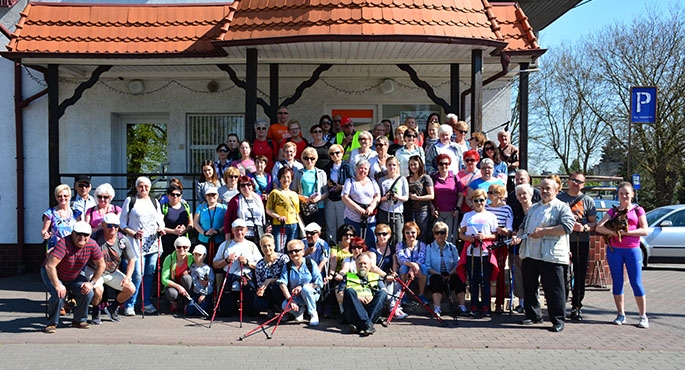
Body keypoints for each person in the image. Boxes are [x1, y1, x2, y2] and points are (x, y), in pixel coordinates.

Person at [512, 176, 575, 333]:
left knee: (554, 290)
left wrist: (544, 232)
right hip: (531, 254)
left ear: (556, 190)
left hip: (551, 256)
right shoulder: (534, 208)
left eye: (548, 188)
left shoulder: (562, 207)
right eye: (542, 188)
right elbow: (523, 225)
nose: (545, 191)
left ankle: (557, 319)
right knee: (530, 287)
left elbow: (568, 227)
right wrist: (518, 236)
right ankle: (533, 315)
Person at [595, 182, 649, 328]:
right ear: (618, 195)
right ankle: (620, 314)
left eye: (627, 193)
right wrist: (613, 233)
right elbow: (599, 227)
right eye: (621, 193)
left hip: (633, 250)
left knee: (636, 282)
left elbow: (645, 230)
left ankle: (642, 316)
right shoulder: (613, 211)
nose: (624, 196)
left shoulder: (638, 210)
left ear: (632, 194)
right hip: (615, 251)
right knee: (617, 282)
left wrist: (627, 233)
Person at [41, 221, 105, 333]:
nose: (82, 237)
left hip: (73, 275)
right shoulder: (63, 243)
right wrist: (57, 285)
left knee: (87, 291)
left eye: (86, 235)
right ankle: (51, 323)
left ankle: (79, 320)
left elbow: (101, 265)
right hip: (53, 273)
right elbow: (50, 266)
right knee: (58, 293)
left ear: (90, 235)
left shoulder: (92, 244)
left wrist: (91, 283)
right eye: (79, 234)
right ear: (73, 233)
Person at [120, 176, 166, 316]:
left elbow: (160, 219)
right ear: (136, 187)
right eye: (140, 186)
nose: (143, 188)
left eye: (146, 186)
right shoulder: (130, 200)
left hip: (152, 243)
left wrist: (161, 228)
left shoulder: (155, 201)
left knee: (149, 274)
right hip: (135, 243)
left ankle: (145, 302)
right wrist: (133, 233)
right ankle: (129, 303)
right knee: (137, 274)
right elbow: (122, 223)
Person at [557, 171, 597, 322]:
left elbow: (594, 223)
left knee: (579, 275)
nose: (575, 183)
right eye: (573, 180)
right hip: (562, 241)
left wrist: (584, 228)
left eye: (579, 182)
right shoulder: (560, 199)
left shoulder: (588, 201)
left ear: (583, 185)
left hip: (581, 241)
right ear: (568, 181)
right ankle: (560, 305)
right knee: (562, 274)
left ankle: (576, 306)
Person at [457, 189, 499, 318]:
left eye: (481, 200)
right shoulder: (467, 216)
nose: (479, 203)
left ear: (486, 201)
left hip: (485, 252)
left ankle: (486, 306)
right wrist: (469, 238)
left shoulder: (491, 216)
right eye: (476, 200)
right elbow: (461, 234)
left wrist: (485, 236)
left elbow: (495, 235)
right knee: (473, 281)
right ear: (472, 202)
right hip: (471, 253)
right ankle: (474, 305)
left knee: (485, 281)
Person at [87, 214, 136, 325]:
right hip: (94, 271)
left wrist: (128, 277)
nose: (113, 228)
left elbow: (132, 259)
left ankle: (112, 308)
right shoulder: (94, 238)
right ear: (103, 225)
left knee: (131, 288)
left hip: (111, 272)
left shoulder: (122, 240)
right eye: (109, 225)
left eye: (116, 226)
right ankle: (95, 311)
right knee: (98, 291)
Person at [213, 219, 262, 316]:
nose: (239, 232)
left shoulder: (251, 246)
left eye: (241, 229)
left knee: (252, 312)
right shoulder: (225, 245)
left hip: (246, 279)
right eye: (237, 229)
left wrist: (247, 262)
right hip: (229, 279)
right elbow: (215, 264)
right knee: (225, 313)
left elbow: (260, 265)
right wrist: (226, 261)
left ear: (246, 230)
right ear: (232, 230)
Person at [278, 239, 323, 325]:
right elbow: (282, 284)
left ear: (303, 251)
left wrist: (302, 286)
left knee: (306, 289)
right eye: (291, 252)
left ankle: (313, 313)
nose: (294, 253)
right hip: (296, 297)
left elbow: (319, 283)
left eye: (296, 251)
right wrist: (290, 300)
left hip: (312, 294)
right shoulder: (287, 266)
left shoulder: (311, 263)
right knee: (284, 305)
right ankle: (299, 312)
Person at [341, 253, 387, 336]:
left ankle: (360, 326)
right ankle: (367, 325)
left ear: (370, 265)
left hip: (370, 308)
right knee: (349, 291)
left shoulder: (376, 277)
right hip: (353, 312)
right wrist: (357, 298)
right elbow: (340, 296)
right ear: (355, 265)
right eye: (360, 263)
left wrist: (372, 298)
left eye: (365, 263)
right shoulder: (347, 277)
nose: (362, 266)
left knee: (383, 293)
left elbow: (384, 291)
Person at [485, 184, 514, 313]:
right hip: (488, 242)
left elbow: (509, 229)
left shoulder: (507, 209)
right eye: (489, 192)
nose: (490, 195)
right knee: (487, 272)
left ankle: (499, 303)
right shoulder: (485, 207)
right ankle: (486, 302)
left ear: (501, 195)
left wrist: (504, 231)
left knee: (500, 273)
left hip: (501, 244)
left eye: (494, 192)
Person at [424, 221, 461, 317]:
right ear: (434, 234)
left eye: (443, 232)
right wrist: (438, 274)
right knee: (435, 279)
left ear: (447, 234)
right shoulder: (429, 247)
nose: (440, 235)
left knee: (459, 278)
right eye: (437, 233)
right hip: (436, 274)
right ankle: (437, 308)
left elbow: (458, 264)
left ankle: (462, 306)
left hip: (450, 274)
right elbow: (427, 266)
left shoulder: (452, 247)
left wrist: (451, 273)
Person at [341, 159, 380, 249]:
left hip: (369, 219)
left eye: (365, 169)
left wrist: (371, 207)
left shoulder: (372, 181)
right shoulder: (349, 181)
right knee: (353, 243)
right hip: (352, 218)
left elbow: (377, 196)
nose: (363, 171)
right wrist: (358, 208)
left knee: (370, 242)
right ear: (356, 169)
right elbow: (344, 197)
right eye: (360, 168)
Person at [370, 224, 402, 319]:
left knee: (397, 282)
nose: (381, 237)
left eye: (384, 234)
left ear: (389, 235)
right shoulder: (372, 248)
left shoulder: (392, 248)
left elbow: (395, 264)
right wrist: (385, 276)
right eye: (378, 234)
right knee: (386, 294)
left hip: (389, 275)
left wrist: (394, 273)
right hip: (377, 276)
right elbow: (373, 267)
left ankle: (394, 307)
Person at [266, 166, 301, 252]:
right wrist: (278, 217)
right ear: (280, 179)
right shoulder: (274, 193)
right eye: (283, 177)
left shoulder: (294, 194)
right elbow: (268, 210)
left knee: (293, 250)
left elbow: (297, 211)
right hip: (280, 225)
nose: (286, 179)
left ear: (292, 179)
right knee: (279, 250)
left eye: (288, 177)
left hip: (294, 225)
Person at [431, 153, 464, 245]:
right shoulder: (433, 177)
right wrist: (432, 208)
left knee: (450, 238)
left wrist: (458, 208)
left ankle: (449, 258)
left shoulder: (454, 177)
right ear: (437, 165)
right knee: (437, 236)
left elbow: (460, 195)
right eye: (441, 163)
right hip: (438, 212)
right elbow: (429, 195)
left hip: (452, 212)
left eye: (446, 163)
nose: (444, 166)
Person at [225, 175, 268, 245]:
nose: (246, 187)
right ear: (239, 188)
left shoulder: (259, 199)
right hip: (242, 235)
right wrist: (228, 238)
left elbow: (264, 216)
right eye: (242, 185)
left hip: (259, 234)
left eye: (248, 184)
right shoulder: (235, 201)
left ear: (252, 185)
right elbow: (228, 220)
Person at [376, 156, 409, 247]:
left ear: (397, 166)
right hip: (384, 211)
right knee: (384, 237)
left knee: (398, 237)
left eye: (394, 165)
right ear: (386, 166)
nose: (392, 167)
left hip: (397, 212)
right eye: (389, 165)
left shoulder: (402, 179)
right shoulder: (382, 180)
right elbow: (378, 198)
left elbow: (406, 197)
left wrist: (397, 197)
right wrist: (386, 198)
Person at [323, 144, 353, 243]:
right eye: (332, 154)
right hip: (330, 199)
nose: (335, 155)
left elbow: (353, 183)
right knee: (330, 225)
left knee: (341, 225)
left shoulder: (348, 167)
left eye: (337, 153)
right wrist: (328, 183)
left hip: (342, 199)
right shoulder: (327, 168)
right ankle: (331, 248)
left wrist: (342, 187)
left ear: (342, 153)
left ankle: (342, 246)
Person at [254, 234, 289, 315]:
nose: (267, 248)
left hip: (282, 288)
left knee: (277, 287)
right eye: (264, 246)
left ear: (274, 245)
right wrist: (261, 290)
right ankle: (270, 308)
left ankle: (284, 310)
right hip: (268, 291)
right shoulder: (259, 264)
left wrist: (270, 280)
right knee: (258, 303)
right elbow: (260, 283)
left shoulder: (283, 258)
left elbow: (287, 278)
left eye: (269, 245)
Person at [396, 221, 429, 306]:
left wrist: (413, 267)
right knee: (403, 267)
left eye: (413, 232)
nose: (410, 235)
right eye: (407, 232)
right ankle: (404, 294)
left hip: (418, 271)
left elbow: (422, 258)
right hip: (405, 270)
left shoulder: (422, 245)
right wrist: (412, 265)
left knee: (424, 267)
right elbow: (401, 259)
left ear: (417, 232)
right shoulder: (400, 245)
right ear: (404, 234)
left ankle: (421, 294)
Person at [294, 148, 329, 226]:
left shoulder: (321, 173)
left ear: (316, 159)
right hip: (304, 207)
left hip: (318, 206)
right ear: (302, 159)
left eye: (312, 158)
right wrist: (302, 198)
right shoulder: (299, 173)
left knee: (316, 230)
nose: (309, 161)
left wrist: (319, 197)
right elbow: (293, 191)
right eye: (306, 158)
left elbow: (326, 192)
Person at [42, 184, 82, 250]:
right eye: (59, 196)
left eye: (65, 196)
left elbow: (80, 230)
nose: (63, 198)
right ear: (56, 197)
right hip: (55, 249)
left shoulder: (76, 213)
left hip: (72, 249)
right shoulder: (50, 213)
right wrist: (45, 234)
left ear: (69, 196)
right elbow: (44, 230)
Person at [160, 182, 193, 262]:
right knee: (168, 263)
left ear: (181, 196)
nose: (175, 196)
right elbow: (159, 226)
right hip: (167, 242)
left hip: (183, 242)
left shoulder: (186, 207)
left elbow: (191, 224)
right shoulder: (164, 207)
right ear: (168, 195)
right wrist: (173, 231)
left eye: (178, 195)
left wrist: (185, 230)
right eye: (172, 194)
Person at [161, 236, 194, 313]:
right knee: (171, 293)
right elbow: (164, 279)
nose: (182, 249)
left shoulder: (191, 257)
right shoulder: (169, 258)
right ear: (175, 247)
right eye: (179, 247)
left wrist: (190, 271)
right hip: (173, 284)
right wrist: (179, 287)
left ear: (189, 248)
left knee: (187, 278)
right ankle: (174, 302)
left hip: (185, 283)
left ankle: (186, 302)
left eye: (185, 247)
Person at [406, 155, 435, 243]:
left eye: (415, 164)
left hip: (423, 210)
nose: (413, 167)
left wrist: (418, 198)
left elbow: (431, 195)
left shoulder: (425, 178)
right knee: (410, 233)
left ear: (420, 164)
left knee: (422, 234)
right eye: (411, 165)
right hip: (409, 210)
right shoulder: (407, 179)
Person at [187, 244, 214, 316]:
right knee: (190, 311)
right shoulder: (192, 267)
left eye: (199, 255)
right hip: (195, 293)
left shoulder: (207, 269)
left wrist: (204, 294)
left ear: (204, 256)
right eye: (195, 254)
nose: (197, 257)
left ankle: (208, 305)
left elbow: (210, 283)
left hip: (205, 294)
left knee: (200, 313)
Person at [458, 150, 481, 214]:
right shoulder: (459, 175)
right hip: (462, 206)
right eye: (467, 160)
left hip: (476, 206)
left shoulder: (481, 174)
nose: (469, 162)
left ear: (477, 160)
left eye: (472, 160)